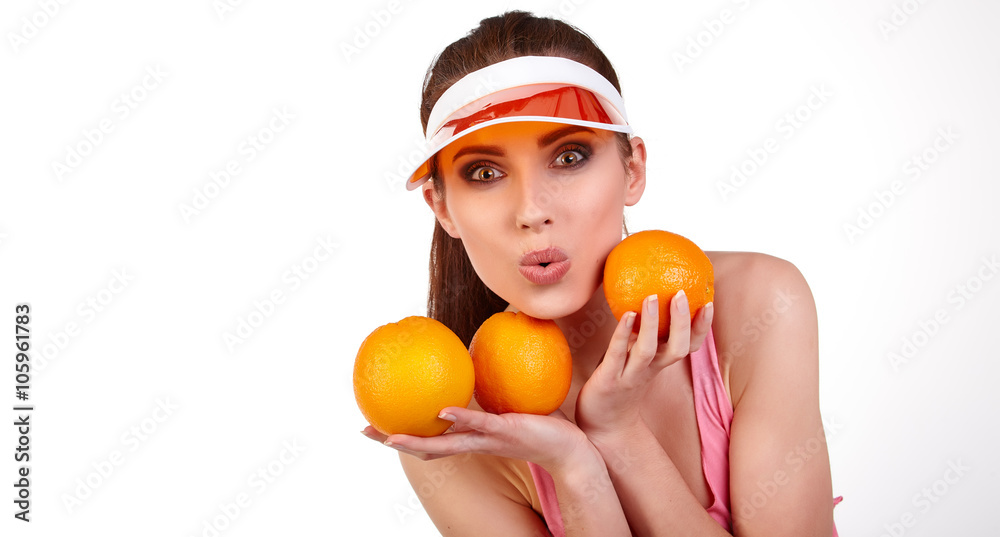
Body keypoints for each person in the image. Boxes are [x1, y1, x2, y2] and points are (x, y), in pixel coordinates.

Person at [361, 10, 842, 536]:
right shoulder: (455, 430)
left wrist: (620, 433)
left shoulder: (758, 304)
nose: (531, 210)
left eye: (568, 157)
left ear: (632, 169)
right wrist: (573, 464)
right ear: (443, 208)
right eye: (485, 172)